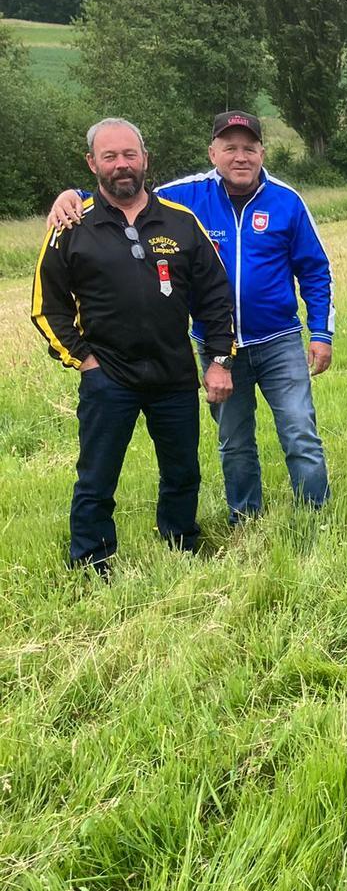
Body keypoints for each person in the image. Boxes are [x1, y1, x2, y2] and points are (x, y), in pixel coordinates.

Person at [47, 109, 334, 523]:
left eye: (249, 148)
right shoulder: (187, 196)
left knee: (300, 432)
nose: (240, 157)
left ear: (262, 152)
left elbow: (315, 270)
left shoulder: (287, 201)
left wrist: (321, 332)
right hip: (216, 347)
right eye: (229, 148)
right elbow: (126, 189)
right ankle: (245, 519)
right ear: (212, 153)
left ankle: (315, 515)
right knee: (234, 440)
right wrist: (72, 194)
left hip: (279, 340)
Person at [31, 117, 235, 573]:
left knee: (183, 471)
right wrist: (83, 359)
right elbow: (47, 306)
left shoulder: (181, 222)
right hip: (108, 376)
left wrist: (219, 359)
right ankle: (92, 559)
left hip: (173, 373)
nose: (121, 164)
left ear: (145, 158)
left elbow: (216, 296)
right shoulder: (71, 225)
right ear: (92, 163)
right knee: (97, 476)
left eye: (129, 154)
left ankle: (181, 544)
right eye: (109, 156)